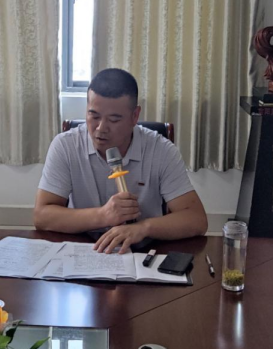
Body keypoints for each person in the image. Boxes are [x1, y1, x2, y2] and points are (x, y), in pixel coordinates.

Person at [34, 68, 208, 254]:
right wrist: (103, 215)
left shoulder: (161, 150)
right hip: (83, 248)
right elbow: (41, 216)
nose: (101, 128)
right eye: (94, 116)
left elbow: (196, 219)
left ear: (135, 116)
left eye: (114, 120)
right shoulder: (66, 145)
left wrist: (143, 228)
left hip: (143, 251)